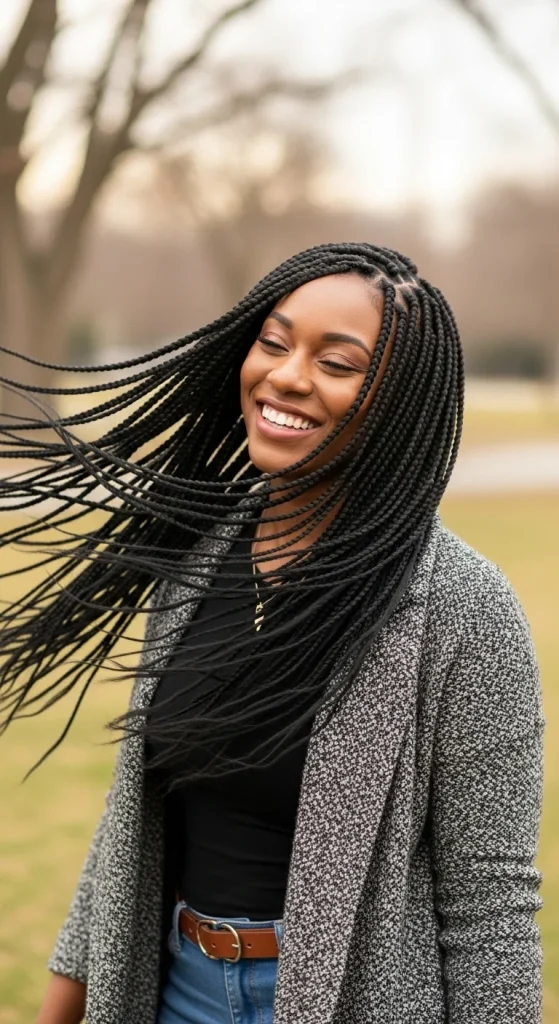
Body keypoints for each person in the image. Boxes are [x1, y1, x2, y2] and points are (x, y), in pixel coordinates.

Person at [0, 243, 543, 1024]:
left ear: (397, 400)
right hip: (175, 990)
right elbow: (134, 821)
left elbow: (488, 906)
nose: (287, 376)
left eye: (338, 362)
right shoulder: (196, 557)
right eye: (275, 342)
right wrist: (60, 1005)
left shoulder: (463, 609)